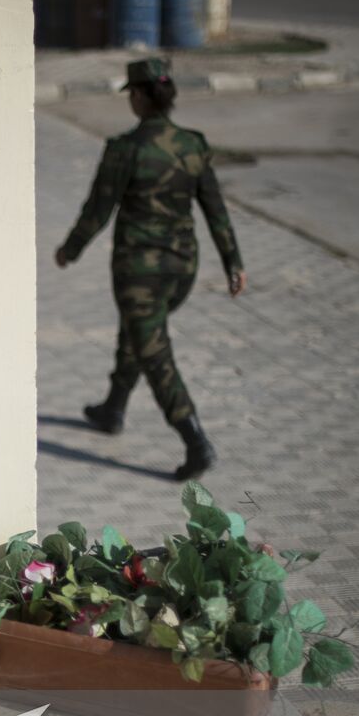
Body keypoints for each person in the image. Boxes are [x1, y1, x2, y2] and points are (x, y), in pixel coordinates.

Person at [55, 57, 248, 481]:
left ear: (140, 96)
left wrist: (70, 250)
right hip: (182, 268)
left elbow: (97, 210)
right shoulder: (192, 145)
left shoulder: (125, 150)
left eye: (133, 94)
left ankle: (195, 441)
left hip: (139, 272)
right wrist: (233, 261)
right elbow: (215, 208)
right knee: (139, 331)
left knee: (153, 349)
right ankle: (113, 408)